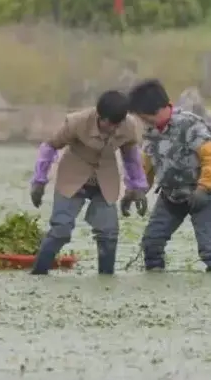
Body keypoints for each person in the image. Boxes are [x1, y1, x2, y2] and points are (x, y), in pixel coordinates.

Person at [29, 90, 148, 275]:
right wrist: (39, 181)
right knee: (61, 229)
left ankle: (106, 277)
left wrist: (137, 187)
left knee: (109, 233)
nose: (115, 129)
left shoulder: (128, 127)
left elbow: (131, 156)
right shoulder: (77, 122)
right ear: (100, 117)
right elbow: (50, 146)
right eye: (111, 124)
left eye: (119, 124)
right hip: (73, 176)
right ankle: (38, 273)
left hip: (105, 180)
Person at [128, 79, 211, 272]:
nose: (141, 120)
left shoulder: (190, 125)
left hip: (202, 196)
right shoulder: (151, 133)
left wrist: (204, 188)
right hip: (170, 197)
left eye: (141, 115)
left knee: (210, 251)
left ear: (152, 110)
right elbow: (147, 165)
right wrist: (137, 191)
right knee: (151, 244)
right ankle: (155, 278)